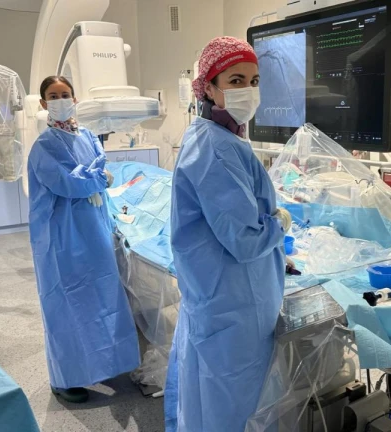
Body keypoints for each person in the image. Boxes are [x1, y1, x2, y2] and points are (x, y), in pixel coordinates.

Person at [164, 37, 293, 432]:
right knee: (236, 403)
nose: (248, 90)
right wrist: (279, 224)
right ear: (209, 88)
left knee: (211, 395)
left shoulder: (217, 136)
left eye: (254, 81)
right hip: (235, 302)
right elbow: (246, 240)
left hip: (220, 295)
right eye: (236, 80)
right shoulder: (216, 147)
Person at [27, 76, 140, 404]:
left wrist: (99, 181)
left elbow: (98, 171)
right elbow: (69, 183)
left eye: (65, 94)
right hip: (62, 237)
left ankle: (105, 364)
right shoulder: (44, 146)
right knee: (67, 304)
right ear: (43, 103)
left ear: (74, 98)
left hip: (93, 229)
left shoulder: (88, 136)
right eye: (53, 96)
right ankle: (65, 378)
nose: (60, 100)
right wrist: (98, 178)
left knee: (101, 298)